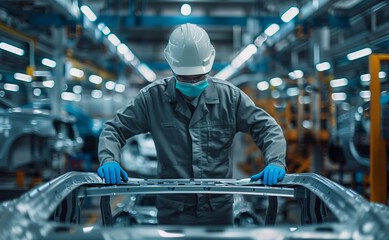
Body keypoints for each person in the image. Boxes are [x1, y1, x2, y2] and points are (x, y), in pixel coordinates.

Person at [97, 23, 287, 226]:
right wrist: (110, 160)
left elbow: (267, 128)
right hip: (172, 210)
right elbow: (114, 130)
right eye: (185, 77)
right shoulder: (152, 99)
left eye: (198, 77)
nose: (192, 83)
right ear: (172, 66)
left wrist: (275, 161)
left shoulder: (229, 98)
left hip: (218, 211)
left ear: (209, 66)